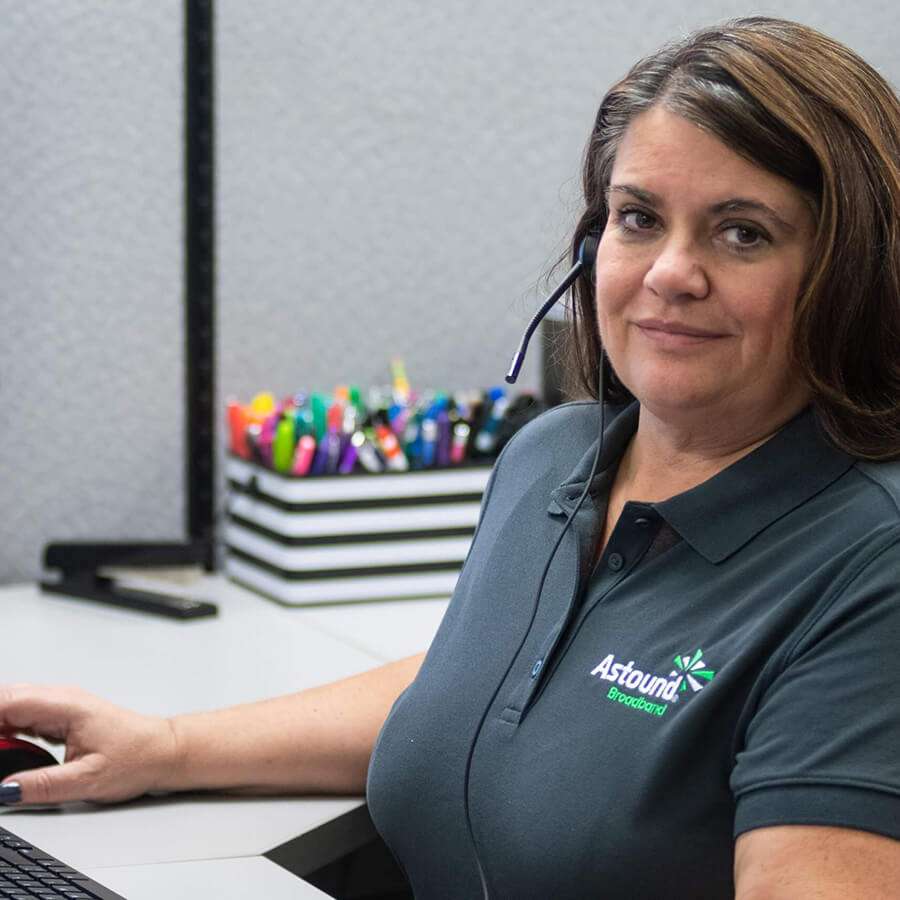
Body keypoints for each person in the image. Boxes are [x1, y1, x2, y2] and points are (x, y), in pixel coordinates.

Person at [2, 15, 899, 899]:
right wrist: (166, 747)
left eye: (743, 232)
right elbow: (490, 683)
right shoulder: (552, 460)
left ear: (851, 270)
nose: (670, 271)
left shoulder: (871, 566)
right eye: (638, 218)